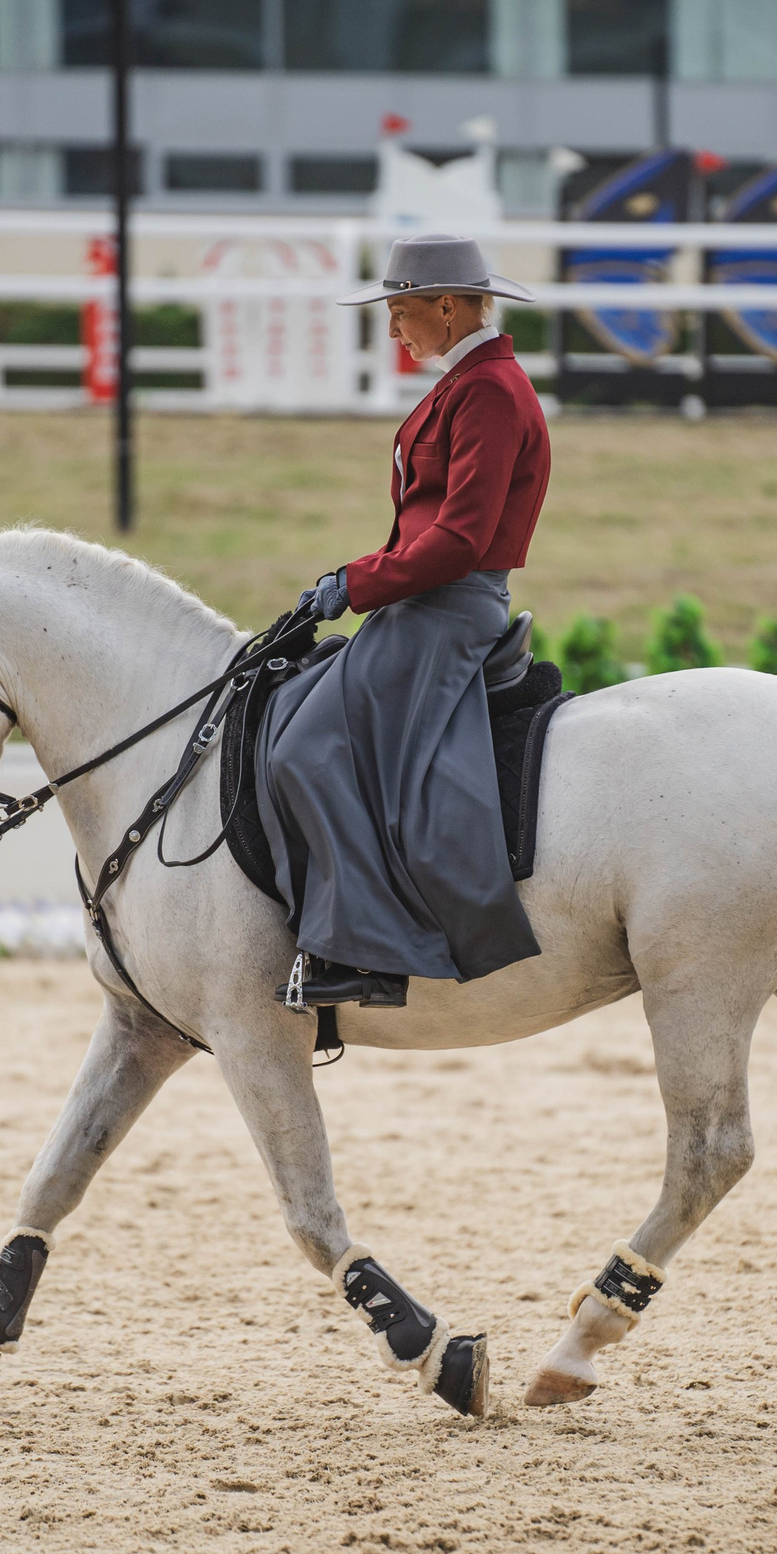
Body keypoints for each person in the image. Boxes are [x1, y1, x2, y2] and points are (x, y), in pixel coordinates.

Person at [256, 233, 551, 1009]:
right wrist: (356, 578)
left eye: (399, 311)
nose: (392, 329)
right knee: (296, 719)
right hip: (420, 599)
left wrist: (355, 583)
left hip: (448, 607)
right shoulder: (466, 382)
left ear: (446, 307)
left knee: (309, 751)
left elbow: (456, 540)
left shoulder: (488, 390)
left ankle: (366, 952)